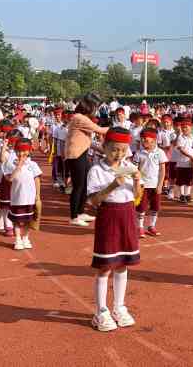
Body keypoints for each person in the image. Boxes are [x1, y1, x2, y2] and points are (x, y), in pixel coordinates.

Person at [87, 127, 141, 332]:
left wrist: (136, 181)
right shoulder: (97, 170)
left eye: (123, 149)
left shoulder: (128, 166)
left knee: (122, 264)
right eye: (114, 149)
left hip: (127, 216)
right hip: (108, 217)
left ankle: (119, 306)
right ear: (105, 148)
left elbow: (136, 197)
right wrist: (111, 186)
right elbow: (93, 201)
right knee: (105, 265)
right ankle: (101, 311)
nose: (119, 154)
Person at [65, 93, 109, 227]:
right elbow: (101, 130)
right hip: (75, 156)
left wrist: (103, 151)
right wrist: (118, 129)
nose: (96, 110)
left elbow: (88, 142)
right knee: (78, 186)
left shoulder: (82, 118)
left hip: (81, 153)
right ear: (89, 106)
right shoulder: (80, 118)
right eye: (95, 107)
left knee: (84, 184)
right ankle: (73, 216)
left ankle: (80, 212)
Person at [4, 138, 41, 250]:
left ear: (29, 151)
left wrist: (37, 196)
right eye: (19, 151)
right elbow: (10, 179)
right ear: (15, 151)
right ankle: (18, 239)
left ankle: (25, 237)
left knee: (28, 220)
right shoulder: (10, 164)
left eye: (24, 150)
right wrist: (18, 166)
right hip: (17, 198)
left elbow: (37, 180)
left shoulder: (33, 164)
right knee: (17, 220)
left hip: (30, 198)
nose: (22, 153)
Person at [134, 128, 166, 238]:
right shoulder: (139, 153)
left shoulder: (160, 152)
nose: (143, 142)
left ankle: (151, 226)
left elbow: (162, 170)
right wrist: (137, 184)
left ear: (154, 140)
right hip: (143, 186)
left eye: (146, 140)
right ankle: (140, 227)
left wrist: (160, 185)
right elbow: (135, 169)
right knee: (141, 208)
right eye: (142, 140)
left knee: (155, 207)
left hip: (155, 185)